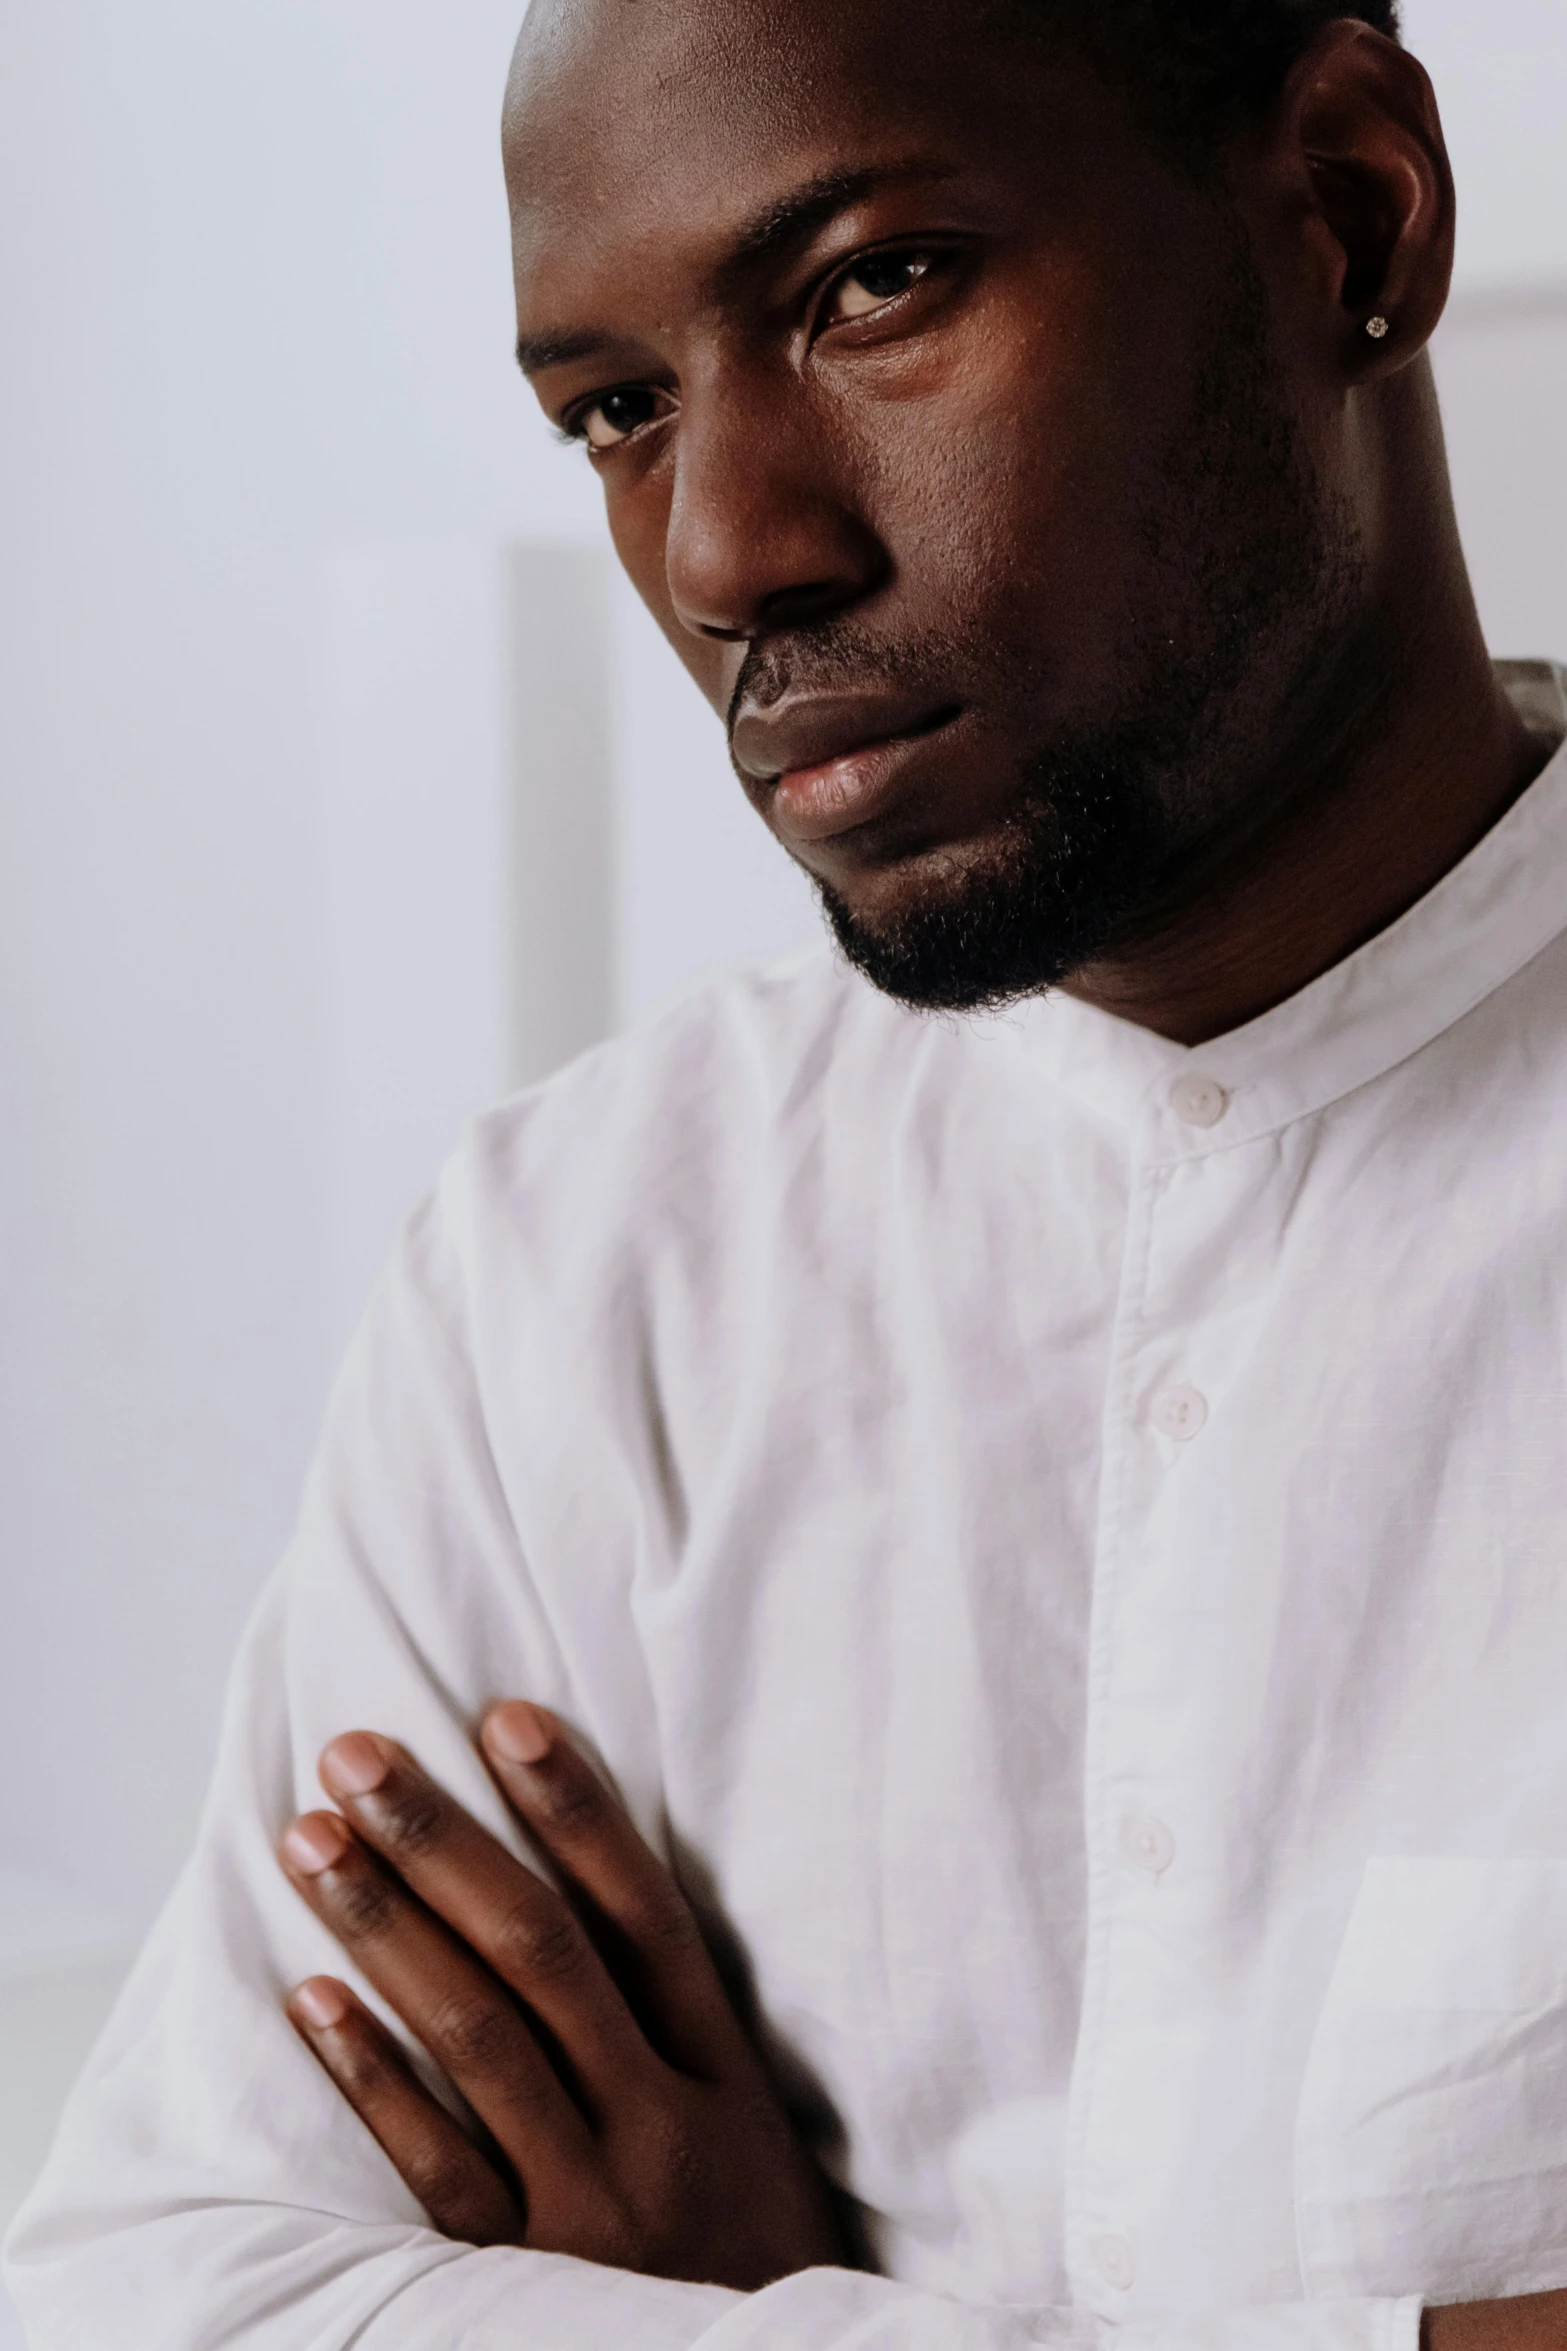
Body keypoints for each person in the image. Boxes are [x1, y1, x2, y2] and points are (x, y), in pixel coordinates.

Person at [9, 0, 1567, 2345]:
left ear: (1353, 214)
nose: (733, 548)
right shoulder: (579, 1265)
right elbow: (167, 2293)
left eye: (878, 285)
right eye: (614, 411)